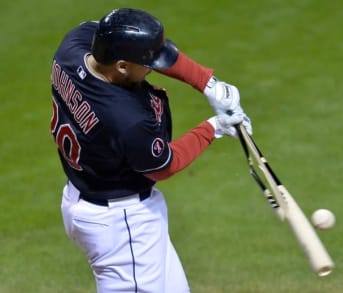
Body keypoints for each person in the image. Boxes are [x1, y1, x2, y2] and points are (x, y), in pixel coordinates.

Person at [50, 8, 252, 292]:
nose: (153, 67)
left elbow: (122, 40)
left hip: (95, 198)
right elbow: (164, 165)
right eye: (148, 63)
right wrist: (214, 127)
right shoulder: (125, 118)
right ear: (121, 66)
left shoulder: (73, 47)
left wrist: (207, 83)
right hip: (122, 224)